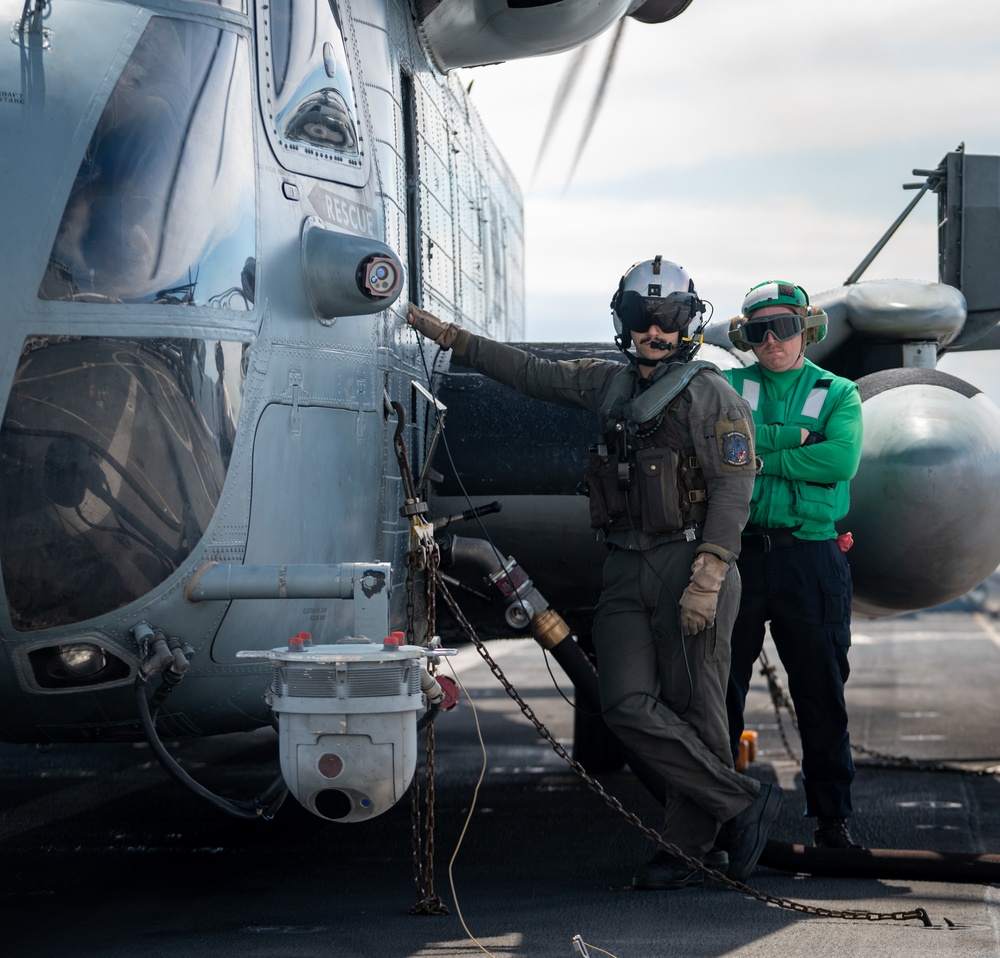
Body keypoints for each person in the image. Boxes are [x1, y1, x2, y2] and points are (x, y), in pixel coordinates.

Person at [407, 255, 784, 889]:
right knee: (624, 704)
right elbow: (529, 373)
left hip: (689, 562)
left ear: (688, 321)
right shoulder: (607, 384)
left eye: (667, 317)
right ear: (624, 319)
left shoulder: (709, 392)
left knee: (698, 711)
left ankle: (691, 848)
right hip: (625, 565)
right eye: (641, 316)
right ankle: (740, 805)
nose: (653, 330)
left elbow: (733, 488)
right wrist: (452, 339)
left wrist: (710, 575)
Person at [723, 280, 863, 850]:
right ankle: (717, 815)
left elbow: (842, 456)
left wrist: (762, 456)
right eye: (759, 331)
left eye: (783, 327)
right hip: (740, 558)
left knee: (821, 689)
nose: (772, 340)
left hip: (811, 556)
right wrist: (796, 441)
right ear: (749, 338)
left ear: (804, 329)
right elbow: (719, 449)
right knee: (719, 690)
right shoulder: (728, 387)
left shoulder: (839, 393)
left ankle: (832, 819)